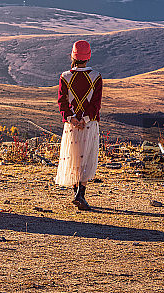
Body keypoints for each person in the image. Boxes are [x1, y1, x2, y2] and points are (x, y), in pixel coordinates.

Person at [54, 40, 103, 210]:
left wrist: (71, 118)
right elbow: (96, 103)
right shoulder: (96, 76)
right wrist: (86, 119)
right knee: (87, 157)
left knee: (74, 157)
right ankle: (80, 194)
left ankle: (77, 193)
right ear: (88, 56)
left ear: (73, 55)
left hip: (71, 125)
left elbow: (62, 101)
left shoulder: (65, 76)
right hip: (89, 124)